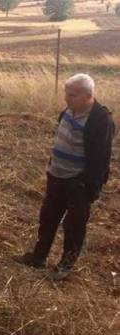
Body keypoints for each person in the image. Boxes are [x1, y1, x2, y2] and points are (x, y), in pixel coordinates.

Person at [16, 74, 115, 280]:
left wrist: (89, 186)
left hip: (78, 181)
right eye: (66, 93)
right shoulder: (68, 112)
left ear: (89, 96)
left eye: (72, 95)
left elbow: (100, 159)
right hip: (57, 175)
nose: (67, 99)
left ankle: (65, 266)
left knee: (74, 224)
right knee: (48, 217)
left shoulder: (100, 120)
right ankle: (38, 257)